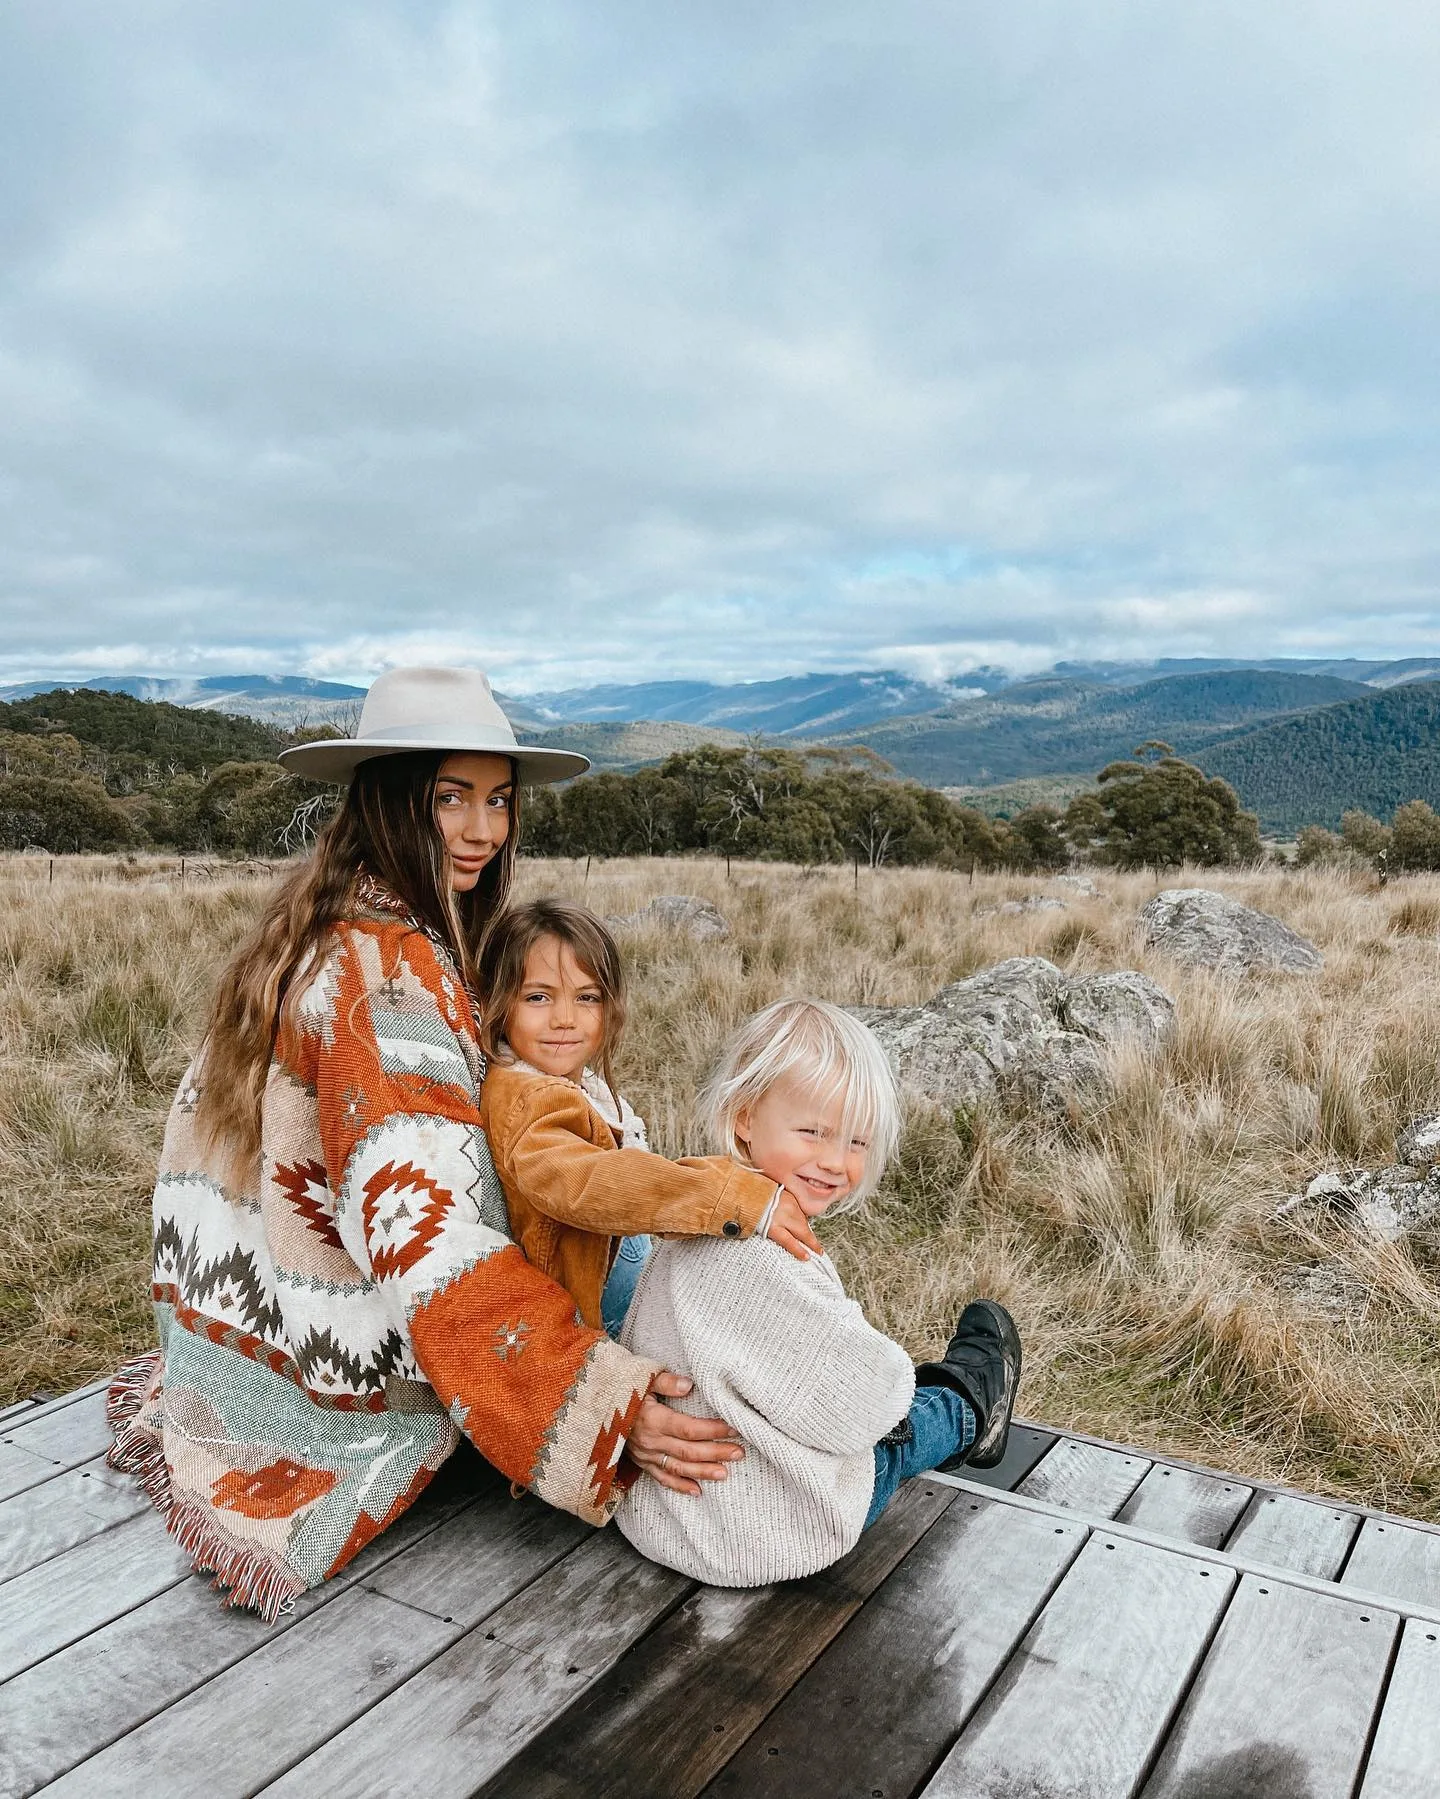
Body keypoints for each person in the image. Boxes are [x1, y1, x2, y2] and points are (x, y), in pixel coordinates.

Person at [105, 666, 770, 1620]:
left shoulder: (342, 927)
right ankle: (924, 1408)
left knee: (707, 1306)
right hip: (390, 1350)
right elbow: (430, 1245)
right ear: (387, 797)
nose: (482, 830)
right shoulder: (382, 973)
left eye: (498, 800)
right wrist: (599, 1404)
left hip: (284, 1319)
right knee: (719, 1367)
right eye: (450, 797)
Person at [614, 998, 1023, 1587]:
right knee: (898, 1433)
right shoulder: (761, 1261)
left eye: (856, 1142)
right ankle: (971, 1401)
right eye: (814, 1133)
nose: (836, 1162)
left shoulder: (691, 1220)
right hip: (759, 1531)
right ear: (745, 1118)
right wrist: (882, 1368)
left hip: (665, 1518)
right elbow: (861, 1408)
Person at [475, 898, 823, 1342]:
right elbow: (587, 1182)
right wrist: (725, 1192)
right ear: (501, 1003)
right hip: (595, 1323)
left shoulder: (567, 1084)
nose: (564, 1019)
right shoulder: (528, 1097)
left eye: (587, 998)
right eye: (538, 997)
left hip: (622, 1291)